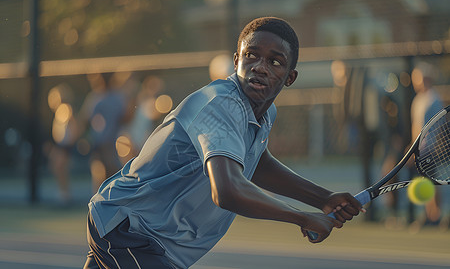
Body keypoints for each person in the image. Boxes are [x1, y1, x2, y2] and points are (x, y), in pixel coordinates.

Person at [83, 17, 364, 269]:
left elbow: (257, 163)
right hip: (131, 230)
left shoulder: (263, 111)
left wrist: (322, 198)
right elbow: (228, 191)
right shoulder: (221, 104)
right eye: (251, 56)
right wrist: (302, 217)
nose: (260, 67)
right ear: (236, 61)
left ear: (290, 77)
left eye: (275, 62)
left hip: (147, 236)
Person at [409, 62, 445, 231]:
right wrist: (412, 147)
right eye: (415, 79)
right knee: (425, 181)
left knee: (432, 181)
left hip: (431, 148)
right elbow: (415, 126)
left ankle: (435, 215)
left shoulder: (434, 99)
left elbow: (439, 126)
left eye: (420, 78)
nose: (417, 82)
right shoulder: (418, 99)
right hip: (419, 149)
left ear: (427, 78)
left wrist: (437, 146)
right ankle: (428, 214)